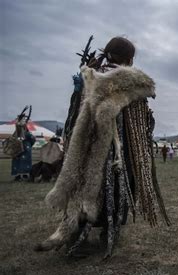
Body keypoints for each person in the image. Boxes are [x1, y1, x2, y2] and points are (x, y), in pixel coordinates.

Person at [35, 36, 170, 258]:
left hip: (85, 146)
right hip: (118, 151)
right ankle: (110, 228)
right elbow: (139, 117)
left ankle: (78, 235)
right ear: (129, 59)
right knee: (115, 188)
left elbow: (74, 115)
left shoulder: (89, 77)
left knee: (82, 186)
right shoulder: (130, 81)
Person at [10, 116, 36, 181]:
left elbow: (32, 139)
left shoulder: (16, 134)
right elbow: (33, 139)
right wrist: (29, 144)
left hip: (21, 149)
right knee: (21, 161)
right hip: (23, 148)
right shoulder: (27, 134)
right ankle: (22, 176)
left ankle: (21, 176)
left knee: (21, 161)